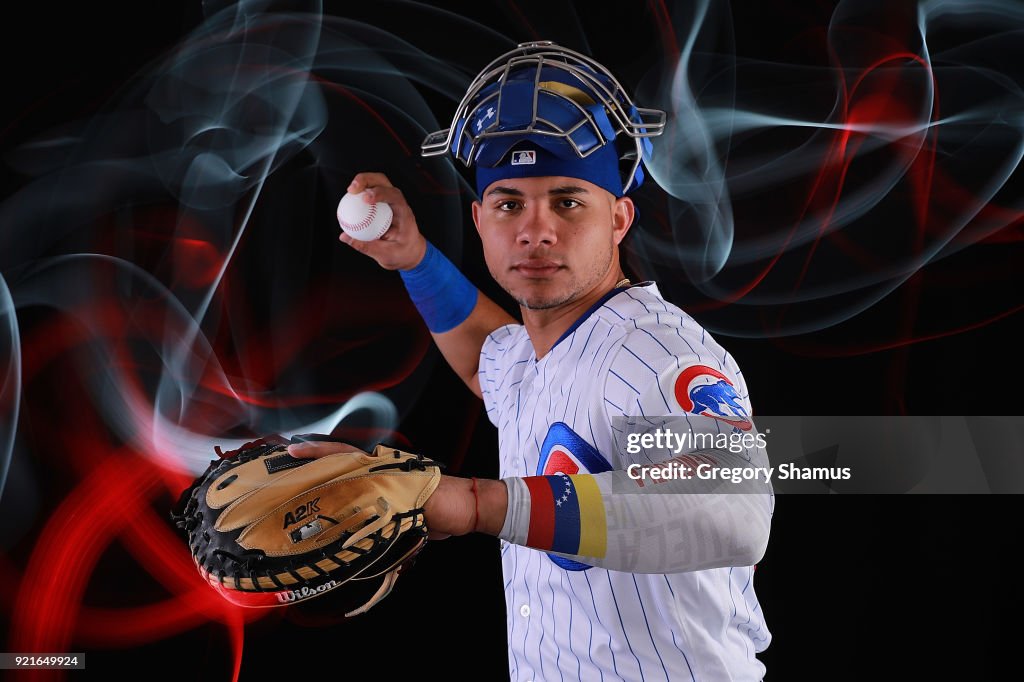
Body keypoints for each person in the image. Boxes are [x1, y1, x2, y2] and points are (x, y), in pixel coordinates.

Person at [291, 41, 773, 681]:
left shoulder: (659, 353)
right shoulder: (534, 353)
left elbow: (733, 514)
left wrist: (472, 503)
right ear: (480, 219)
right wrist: (412, 258)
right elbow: (484, 356)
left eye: (568, 201)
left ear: (620, 217)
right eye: (509, 203)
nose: (535, 230)